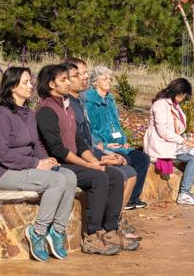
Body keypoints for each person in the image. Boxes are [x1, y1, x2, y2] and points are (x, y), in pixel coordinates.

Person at [34, 64, 135, 255]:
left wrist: (96, 161)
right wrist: (89, 165)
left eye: (67, 78)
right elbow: (58, 149)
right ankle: (92, 235)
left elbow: (79, 142)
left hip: (73, 161)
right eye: (63, 79)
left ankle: (111, 230)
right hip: (59, 165)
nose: (68, 82)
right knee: (99, 177)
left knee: (114, 175)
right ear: (51, 84)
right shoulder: (47, 109)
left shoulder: (67, 108)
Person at [0, 67, 77, 262]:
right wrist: (36, 163)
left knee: (69, 176)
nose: (31, 86)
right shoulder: (2, 115)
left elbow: (35, 144)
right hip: (5, 173)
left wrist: (46, 160)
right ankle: (38, 231)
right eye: (26, 82)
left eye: (30, 81)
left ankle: (57, 231)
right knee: (56, 181)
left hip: (27, 166)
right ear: (13, 87)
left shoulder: (28, 114)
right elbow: (3, 155)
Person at [62, 60, 140, 240]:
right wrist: (101, 156)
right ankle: (100, 229)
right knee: (118, 174)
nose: (85, 77)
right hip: (78, 156)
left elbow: (86, 135)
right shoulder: (69, 104)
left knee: (130, 169)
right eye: (79, 74)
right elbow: (72, 143)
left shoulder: (79, 100)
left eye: (85, 73)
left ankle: (114, 223)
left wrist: (105, 151)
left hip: (91, 149)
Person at [85, 66, 150, 210]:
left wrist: (124, 141)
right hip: (105, 146)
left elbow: (116, 125)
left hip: (119, 144)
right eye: (105, 79)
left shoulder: (110, 101)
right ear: (95, 82)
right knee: (126, 160)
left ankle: (133, 197)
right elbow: (90, 130)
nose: (109, 82)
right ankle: (122, 200)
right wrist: (106, 144)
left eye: (110, 79)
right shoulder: (89, 102)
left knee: (143, 159)